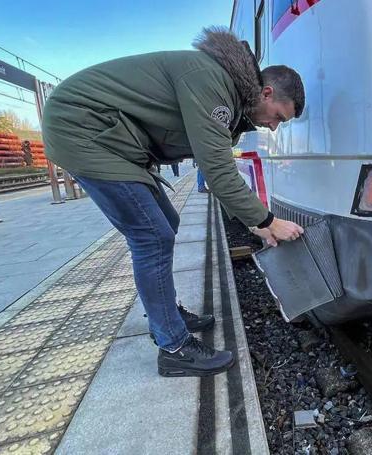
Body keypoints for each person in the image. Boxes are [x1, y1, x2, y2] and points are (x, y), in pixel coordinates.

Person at [42, 27, 305, 377]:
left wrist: (256, 225)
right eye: (278, 117)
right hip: (83, 130)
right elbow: (219, 173)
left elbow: (218, 169)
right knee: (152, 235)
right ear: (266, 92)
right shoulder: (214, 84)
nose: (273, 127)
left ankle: (166, 313)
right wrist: (269, 221)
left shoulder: (228, 92)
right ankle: (174, 347)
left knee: (167, 222)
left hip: (114, 139)